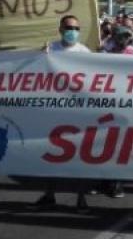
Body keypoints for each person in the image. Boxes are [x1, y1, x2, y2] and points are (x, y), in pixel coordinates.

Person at [32, 15, 91, 212]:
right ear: (60, 29)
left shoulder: (85, 52)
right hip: (54, 110)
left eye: (76, 27)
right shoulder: (51, 49)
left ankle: (81, 198)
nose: (72, 31)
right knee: (51, 154)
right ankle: (50, 194)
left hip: (78, 111)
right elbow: (35, 75)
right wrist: (40, 57)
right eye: (68, 27)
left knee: (81, 156)